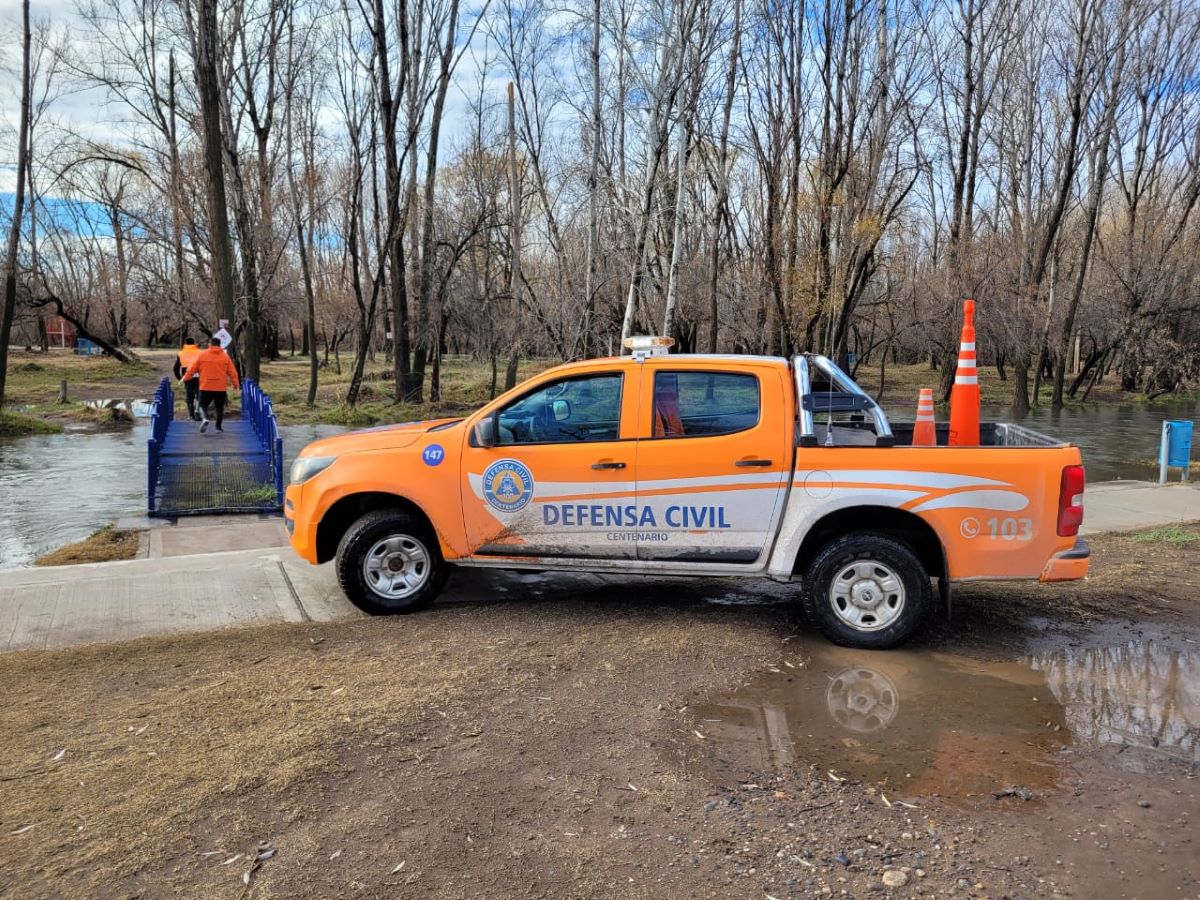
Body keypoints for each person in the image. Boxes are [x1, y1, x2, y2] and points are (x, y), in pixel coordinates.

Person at [182, 337, 240, 433]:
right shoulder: (225, 357)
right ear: (220, 345)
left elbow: (192, 368)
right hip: (220, 387)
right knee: (219, 408)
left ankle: (204, 418)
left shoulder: (202, 355)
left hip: (206, 386)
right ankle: (218, 427)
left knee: (202, 405)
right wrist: (236, 385)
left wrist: (185, 378)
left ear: (210, 344)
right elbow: (233, 372)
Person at [173, 337, 203, 421]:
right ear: (194, 343)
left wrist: (180, 378)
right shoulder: (200, 352)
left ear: (185, 344)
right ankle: (198, 412)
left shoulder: (181, 353)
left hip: (187, 377)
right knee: (199, 395)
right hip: (199, 376)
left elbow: (175, 368)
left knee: (189, 397)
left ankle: (191, 415)